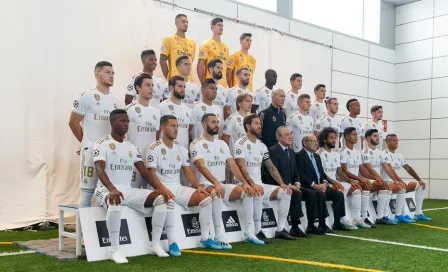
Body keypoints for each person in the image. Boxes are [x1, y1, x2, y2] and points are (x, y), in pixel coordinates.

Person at [93, 109, 174, 263]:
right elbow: (99, 170)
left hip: (127, 190)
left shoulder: (131, 147)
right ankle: (114, 249)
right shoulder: (101, 143)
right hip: (105, 190)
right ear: (112, 122)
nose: (125, 124)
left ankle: (154, 244)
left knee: (161, 199)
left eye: (127, 121)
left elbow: (143, 171)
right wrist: (112, 189)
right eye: (121, 121)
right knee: (115, 200)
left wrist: (161, 187)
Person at [146, 115, 220, 251]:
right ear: (163, 128)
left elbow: (187, 172)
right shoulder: (154, 147)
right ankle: (172, 243)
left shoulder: (181, 149)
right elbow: (151, 173)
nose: (176, 129)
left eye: (177, 126)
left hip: (178, 188)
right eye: (172, 126)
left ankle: (205, 238)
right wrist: (161, 188)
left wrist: (198, 186)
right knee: (168, 201)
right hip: (161, 188)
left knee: (206, 198)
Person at [191, 113, 262, 246]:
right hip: (206, 184)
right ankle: (219, 236)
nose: (217, 124)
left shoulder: (222, 143)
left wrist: (245, 183)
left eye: (217, 122)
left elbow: (232, 165)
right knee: (217, 193)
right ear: (204, 124)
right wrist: (216, 183)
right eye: (213, 122)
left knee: (248, 192)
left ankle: (249, 233)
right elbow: (200, 166)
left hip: (223, 184)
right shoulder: (197, 143)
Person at [234, 114, 295, 242]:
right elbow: (240, 166)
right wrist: (251, 183)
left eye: (260, 124)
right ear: (247, 126)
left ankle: (280, 229)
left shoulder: (261, 145)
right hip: (243, 184)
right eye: (256, 123)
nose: (259, 126)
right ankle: (255, 231)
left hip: (259, 183)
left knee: (286, 192)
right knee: (256, 191)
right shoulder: (240, 143)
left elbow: (270, 166)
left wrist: (281, 183)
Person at [69, 61, 122, 207]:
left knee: (106, 193)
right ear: (97, 74)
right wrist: (85, 142)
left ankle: (102, 228)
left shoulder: (117, 102)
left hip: (111, 155)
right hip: (91, 153)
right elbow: (73, 122)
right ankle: (83, 230)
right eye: (107, 72)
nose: (111, 75)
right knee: (87, 193)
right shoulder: (85, 97)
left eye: (113, 73)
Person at [317, 128, 369, 229]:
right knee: (340, 190)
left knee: (356, 189)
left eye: (335, 138)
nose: (334, 140)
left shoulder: (335, 154)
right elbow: (321, 173)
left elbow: (339, 171)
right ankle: (344, 220)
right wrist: (334, 182)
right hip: (325, 184)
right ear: (324, 139)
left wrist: (350, 181)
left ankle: (357, 218)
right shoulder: (319, 154)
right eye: (331, 138)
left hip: (335, 182)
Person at [296, 134, 348, 232]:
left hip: (320, 186)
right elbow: (301, 175)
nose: (316, 143)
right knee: (320, 194)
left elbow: (322, 173)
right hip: (308, 186)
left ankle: (337, 222)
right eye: (313, 141)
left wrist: (324, 183)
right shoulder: (299, 156)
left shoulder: (316, 156)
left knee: (339, 194)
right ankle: (320, 224)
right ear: (305, 143)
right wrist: (314, 185)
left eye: (316, 141)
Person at [268, 126, 308, 238]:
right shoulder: (273, 151)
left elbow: (296, 171)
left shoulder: (291, 151)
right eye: (286, 135)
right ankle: (295, 227)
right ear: (278, 137)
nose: (290, 137)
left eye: (290, 134)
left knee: (311, 193)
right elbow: (275, 173)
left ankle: (313, 224)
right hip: (277, 184)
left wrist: (297, 183)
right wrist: (289, 185)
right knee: (296, 193)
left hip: (292, 185)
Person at [125, 74, 161, 189]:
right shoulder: (129, 109)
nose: (151, 88)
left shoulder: (156, 112)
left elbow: (156, 137)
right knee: (131, 194)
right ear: (138, 88)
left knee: (150, 196)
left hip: (150, 163)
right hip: (133, 162)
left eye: (152, 85)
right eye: (147, 85)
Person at [383, 134, 431, 221]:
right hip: (387, 181)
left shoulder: (399, 156)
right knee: (402, 186)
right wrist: (400, 181)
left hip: (396, 181)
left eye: (397, 140)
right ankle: (399, 215)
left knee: (421, 185)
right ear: (387, 142)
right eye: (394, 140)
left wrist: (419, 179)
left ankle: (418, 213)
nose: (396, 142)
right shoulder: (384, 154)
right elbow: (389, 168)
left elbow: (408, 168)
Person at [362, 129, 403, 225]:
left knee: (393, 186)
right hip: (368, 181)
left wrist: (395, 180)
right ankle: (380, 216)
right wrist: (380, 178)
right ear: (368, 138)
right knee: (385, 186)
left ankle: (383, 215)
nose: (378, 138)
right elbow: (370, 169)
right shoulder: (365, 151)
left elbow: (387, 167)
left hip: (376, 181)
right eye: (375, 136)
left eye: (378, 136)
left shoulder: (379, 152)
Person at [339, 127, 378, 228]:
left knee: (367, 185)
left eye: (356, 134)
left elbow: (363, 171)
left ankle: (363, 218)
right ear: (346, 137)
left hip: (356, 181)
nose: (356, 137)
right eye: (353, 134)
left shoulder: (356, 152)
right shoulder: (342, 151)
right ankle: (356, 218)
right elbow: (344, 171)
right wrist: (360, 179)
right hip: (345, 181)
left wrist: (375, 178)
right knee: (362, 185)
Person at [158, 75, 193, 150]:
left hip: (184, 153)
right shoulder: (162, 107)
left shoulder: (188, 110)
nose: (183, 89)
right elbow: (157, 131)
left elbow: (188, 132)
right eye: (180, 86)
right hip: (165, 151)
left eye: (184, 87)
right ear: (171, 88)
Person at [160, 14, 196, 81]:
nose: (186, 24)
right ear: (176, 23)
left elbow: (191, 61)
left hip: (189, 83)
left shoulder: (192, 43)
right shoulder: (168, 39)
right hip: (175, 82)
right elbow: (162, 61)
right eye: (183, 21)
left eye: (187, 22)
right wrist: (170, 79)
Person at [197, 18, 229, 87]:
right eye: (219, 25)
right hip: (210, 84)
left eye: (222, 25)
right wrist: (204, 84)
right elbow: (200, 67)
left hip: (223, 86)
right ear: (212, 27)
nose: (221, 27)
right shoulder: (206, 45)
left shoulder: (226, 48)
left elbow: (225, 69)